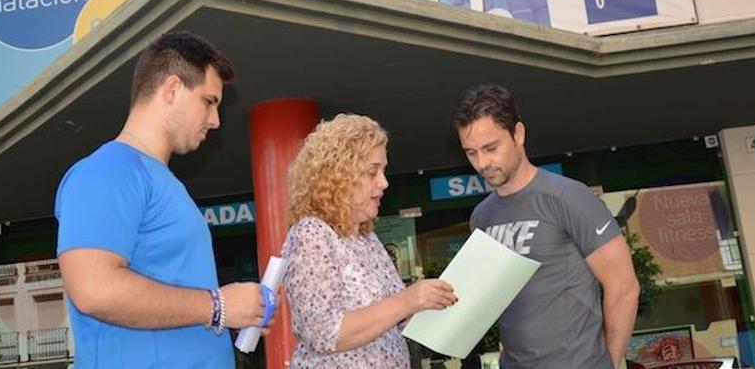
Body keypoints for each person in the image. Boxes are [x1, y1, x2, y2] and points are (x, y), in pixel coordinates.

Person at [55, 31, 268, 368]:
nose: (215, 120)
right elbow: (93, 289)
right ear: (172, 90)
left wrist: (230, 308)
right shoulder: (108, 171)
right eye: (209, 101)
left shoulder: (160, 181)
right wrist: (217, 306)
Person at [450, 84, 640, 369]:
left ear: (518, 134)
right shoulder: (482, 216)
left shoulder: (569, 197)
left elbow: (624, 287)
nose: (482, 163)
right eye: (471, 152)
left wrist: (607, 364)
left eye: (491, 148)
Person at [281, 114, 458, 369]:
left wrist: (435, 302)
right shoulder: (312, 233)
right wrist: (410, 300)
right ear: (338, 176)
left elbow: (394, 316)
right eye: (372, 172)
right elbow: (323, 333)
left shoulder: (366, 237)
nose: (384, 182)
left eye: (383, 171)